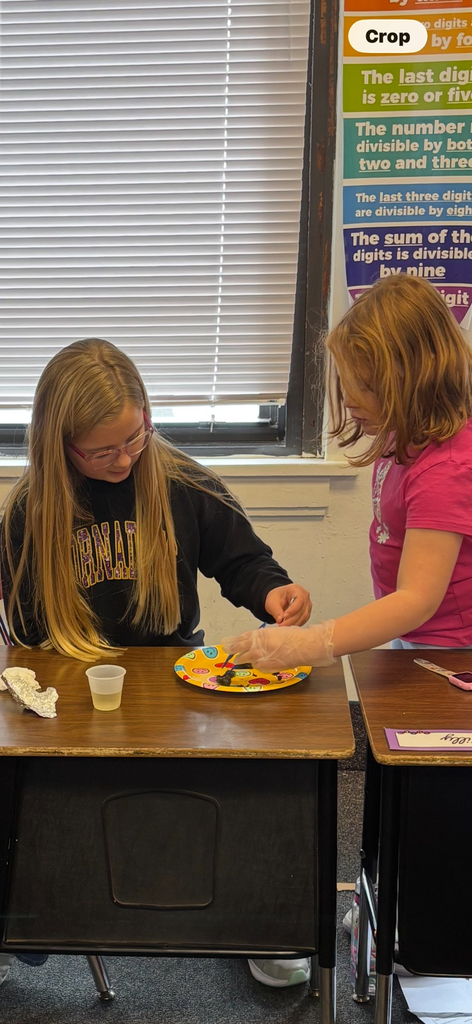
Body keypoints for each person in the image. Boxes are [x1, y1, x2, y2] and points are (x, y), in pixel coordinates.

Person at [0, 337, 312, 990]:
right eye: (103, 450)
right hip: (62, 695)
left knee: (247, 784)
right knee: (29, 796)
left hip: (172, 683)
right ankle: (23, 928)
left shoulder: (182, 482)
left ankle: (261, 923)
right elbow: (20, 632)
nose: (125, 459)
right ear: (62, 444)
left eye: (135, 438)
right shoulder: (28, 511)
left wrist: (273, 591)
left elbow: (242, 560)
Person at [222, 274, 472, 671]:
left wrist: (315, 642)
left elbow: (417, 599)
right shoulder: (401, 438)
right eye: (346, 380)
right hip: (418, 639)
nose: (351, 398)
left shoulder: (446, 468)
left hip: (454, 651)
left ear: (416, 381)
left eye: (367, 386)